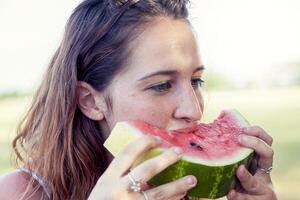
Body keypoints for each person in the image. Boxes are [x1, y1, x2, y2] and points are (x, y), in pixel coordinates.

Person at [0, 0, 277, 199]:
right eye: (161, 85)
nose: (194, 109)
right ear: (90, 101)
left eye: (196, 81)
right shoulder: (18, 193)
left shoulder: (190, 189)